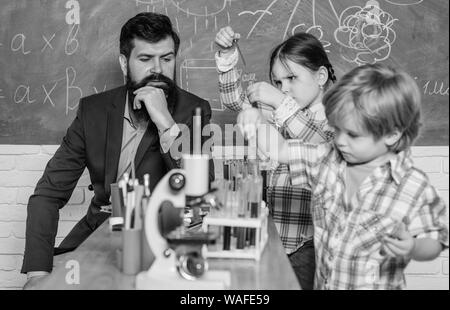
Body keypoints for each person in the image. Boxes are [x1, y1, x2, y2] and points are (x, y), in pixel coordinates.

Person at [21, 12, 214, 288]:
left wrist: (166, 125)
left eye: (167, 59)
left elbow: (201, 192)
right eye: (146, 59)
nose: (158, 69)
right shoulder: (93, 111)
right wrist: (37, 273)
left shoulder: (195, 111)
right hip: (98, 234)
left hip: (162, 242)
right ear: (124, 63)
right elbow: (48, 194)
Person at [239, 63, 448, 289]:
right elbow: (280, 149)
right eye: (337, 129)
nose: (339, 140)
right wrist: (256, 121)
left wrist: (413, 248)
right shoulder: (327, 159)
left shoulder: (412, 184)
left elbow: (435, 239)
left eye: (353, 135)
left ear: (391, 134)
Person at [215, 26, 336, 289]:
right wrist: (228, 56)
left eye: (292, 78)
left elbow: (319, 143)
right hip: (272, 236)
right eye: (278, 82)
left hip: (308, 244)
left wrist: (280, 101)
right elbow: (235, 101)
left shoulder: (338, 117)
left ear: (321, 76)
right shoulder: (280, 112)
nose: (285, 88)